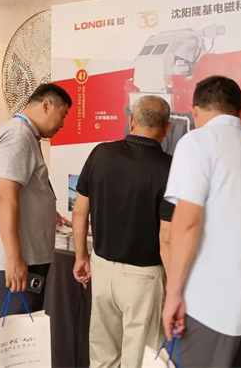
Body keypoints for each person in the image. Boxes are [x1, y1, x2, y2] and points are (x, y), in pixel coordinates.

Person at [162, 75, 241, 367]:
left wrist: (173, 293)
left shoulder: (197, 142)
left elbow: (187, 223)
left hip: (211, 305)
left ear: (195, 110)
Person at [72, 95, 174, 368]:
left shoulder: (100, 153)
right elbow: (167, 237)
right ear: (167, 128)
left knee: (102, 358)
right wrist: (174, 286)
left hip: (101, 269)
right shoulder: (171, 168)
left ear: (131, 121)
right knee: (140, 360)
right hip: (144, 278)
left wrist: (81, 257)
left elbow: (80, 211)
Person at [0, 83, 71, 316]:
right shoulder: (18, 136)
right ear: (46, 105)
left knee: (25, 325)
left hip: (26, 255)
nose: (62, 125)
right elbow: (5, 196)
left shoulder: (24, 134)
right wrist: (13, 257)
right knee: (19, 329)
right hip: (19, 258)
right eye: (62, 115)